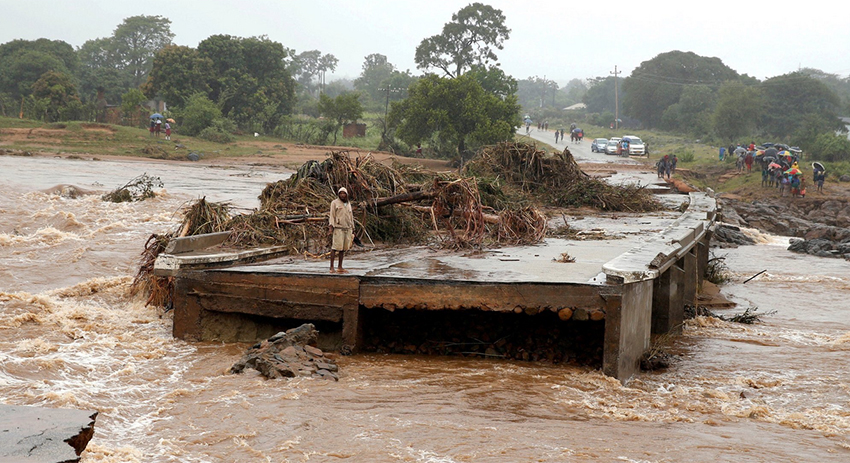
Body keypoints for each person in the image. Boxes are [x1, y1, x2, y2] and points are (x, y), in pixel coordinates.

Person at [329, 187, 354, 273]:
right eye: (341, 193)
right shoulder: (334, 203)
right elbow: (332, 215)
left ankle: (340, 267)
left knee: (343, 249)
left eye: (344, 193)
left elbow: (351, 216)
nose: (342, 195)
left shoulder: (348, 203)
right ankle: (331, 267)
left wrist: (353, 228)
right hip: (338, 228)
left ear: (346, 194)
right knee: (335, 247)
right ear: (338, 194)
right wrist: (331, 226)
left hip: (347, 228)